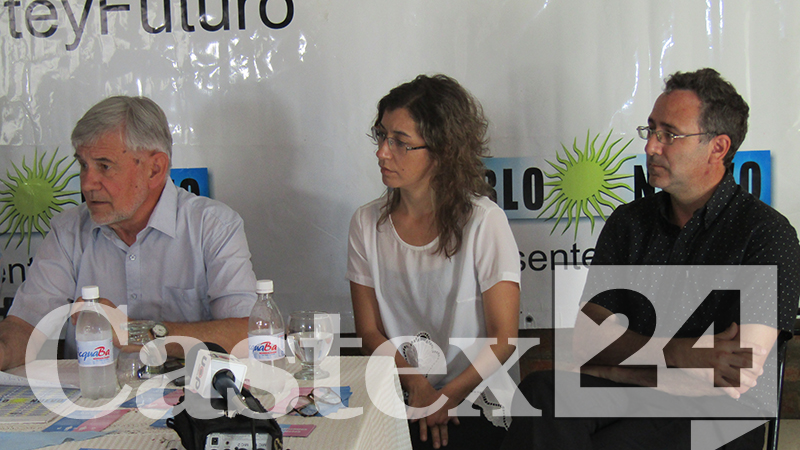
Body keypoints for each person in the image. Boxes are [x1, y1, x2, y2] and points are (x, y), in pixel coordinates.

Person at [500, 68, 800, 449]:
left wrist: (618, 366)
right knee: (541, 394)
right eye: (651, 130)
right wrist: (679, 354)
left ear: (718, 147)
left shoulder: (767, 233)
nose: (651, 147)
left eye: (669, 135)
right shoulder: (629, 223)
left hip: (719, 416)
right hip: (637, 395)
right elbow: (588, 343)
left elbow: (735, 378)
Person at [0, 95, 257, 369]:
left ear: (154, 169)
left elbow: (247, 334)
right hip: (93, 391)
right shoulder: (68, 231)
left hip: (187, 392)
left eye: (104, 166)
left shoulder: (213, 226)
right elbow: (26, 328)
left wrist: (136, 332)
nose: (87, 183)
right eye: (83, 165)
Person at [347, 74, 521, 449]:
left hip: (478, 395)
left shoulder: (484, 221)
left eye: (400, 142)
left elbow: (504, 338)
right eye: (381, 136)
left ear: (442, 151)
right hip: (403, 392)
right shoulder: (366, 222)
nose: (382, 152)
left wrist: (446, 397)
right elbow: (368, 332)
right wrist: (418, 386)